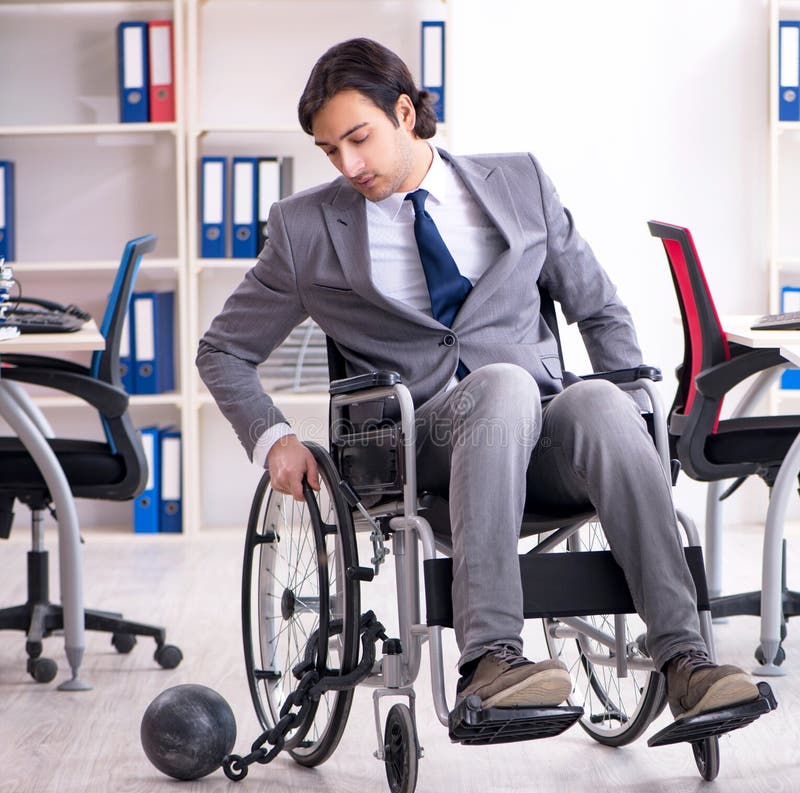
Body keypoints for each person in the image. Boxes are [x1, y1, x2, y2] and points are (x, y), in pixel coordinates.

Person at [197, 37, 760, 722]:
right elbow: (223, 349)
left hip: (544, 439)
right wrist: (274, 437)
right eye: (328, 151)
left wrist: (641, 413)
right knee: (503, 386)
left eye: (358, 138)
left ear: (405, 112)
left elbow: (599, 307)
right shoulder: (305, 228)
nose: (348, 165)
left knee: (599, 400)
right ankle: (491, 658)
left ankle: (685, 660)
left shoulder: (519, 182)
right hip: (419, 445)